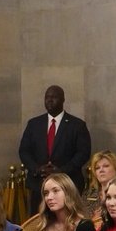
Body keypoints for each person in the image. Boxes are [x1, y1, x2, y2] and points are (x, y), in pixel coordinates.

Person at [18, 85, 91, 213]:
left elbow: (83, 153)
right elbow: (24, 151)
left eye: (54, 97)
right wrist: (37, 168)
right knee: (38, 223)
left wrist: (62, 171)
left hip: (68, 184)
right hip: (38, 184)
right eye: (47, 97)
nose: (50, 100)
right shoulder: (34, 124)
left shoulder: (77, 125)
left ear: (63, 100)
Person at [81, 151, 116, 219]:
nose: (101, 170)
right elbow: (82, 218)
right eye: (97, 168)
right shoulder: (89, 194)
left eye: (106, 166)